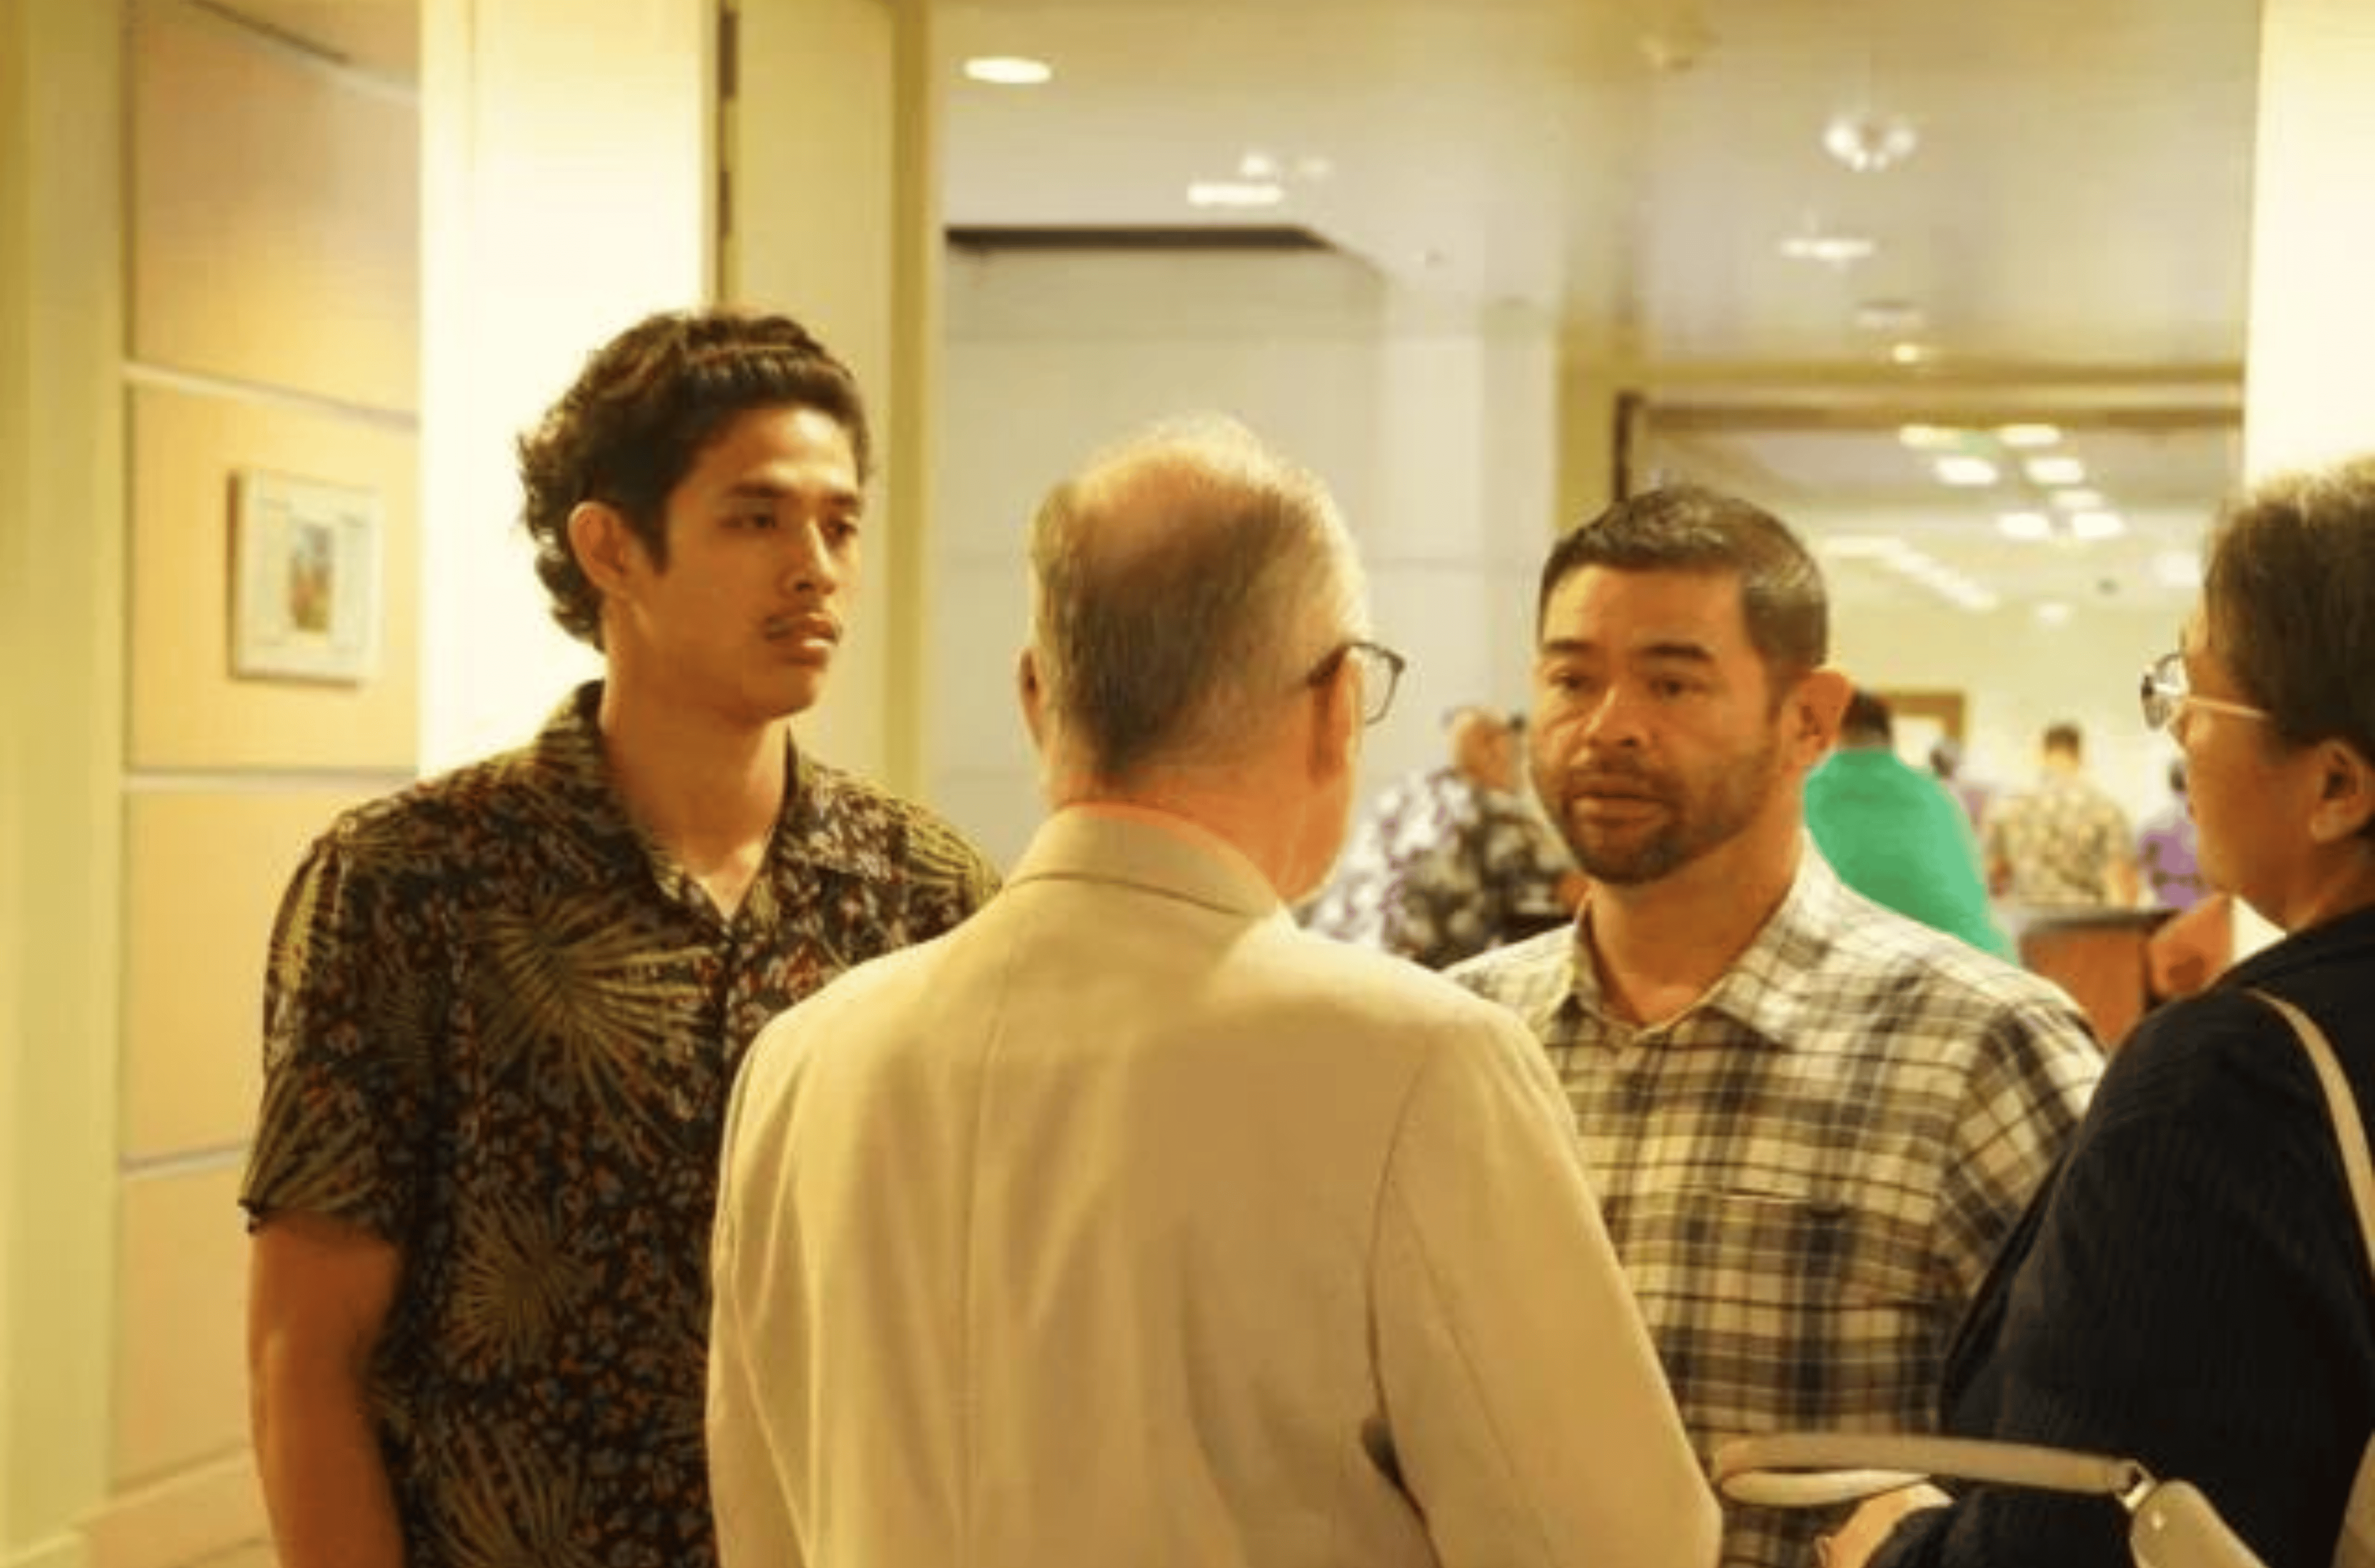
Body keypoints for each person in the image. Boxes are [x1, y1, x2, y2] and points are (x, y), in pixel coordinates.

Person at [707, 418, 1719, 1567]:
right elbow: (1609, 1547)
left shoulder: (804, 1059)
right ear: (1339, 704)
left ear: (1038, 697)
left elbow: (761, 1524)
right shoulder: (1416, 1063)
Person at [240, 309, 999, 1568]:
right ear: (613, 548)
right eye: (756, 518)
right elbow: (305, 1355)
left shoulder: (918, 892)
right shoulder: (412, 882)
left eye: (839, 522)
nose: (814, 565)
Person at [1447, 483, 2104, 1568]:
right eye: (1572, 678)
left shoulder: (1980, 1050)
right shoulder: (1463, 1036)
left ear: (1809, 718)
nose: (1608, 724)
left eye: (1670, 681)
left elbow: (2092, 1467)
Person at [1833, 455, 2375, 1568]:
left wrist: (1894, 1546)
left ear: (2337, 787)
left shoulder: (2234, 1084)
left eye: (2196, 696)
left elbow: (2077, 1537)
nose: (2178, 736)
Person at [1303, 703, 1585, 966]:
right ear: (1494, 747)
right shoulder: (1494, 810)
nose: (1521, 769)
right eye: (1518, 752)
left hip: (1326, 969)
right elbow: (1584, 899)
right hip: (1404, 989)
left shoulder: (1397, 798)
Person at [1805, 687, 2013, 959]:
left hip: (1882, 974)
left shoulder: (1808, 794)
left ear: (1827, 735)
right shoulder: (1936, 794)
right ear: (1890, 738)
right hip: (1991, 968)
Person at [1981, 721, 2142, 907]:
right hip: (2085, 925)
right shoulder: (2105, 809)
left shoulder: (2006, 807)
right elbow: (2122, 883)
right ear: (2079, 754)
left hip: (2024, 926)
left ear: (2042, 752)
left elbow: (1994, 877)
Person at [2137, 756, 2211, 909]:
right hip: (2205, 907)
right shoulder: (2208, 821)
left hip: (2165, 909)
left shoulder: (2153, 825)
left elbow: (2143, 868)